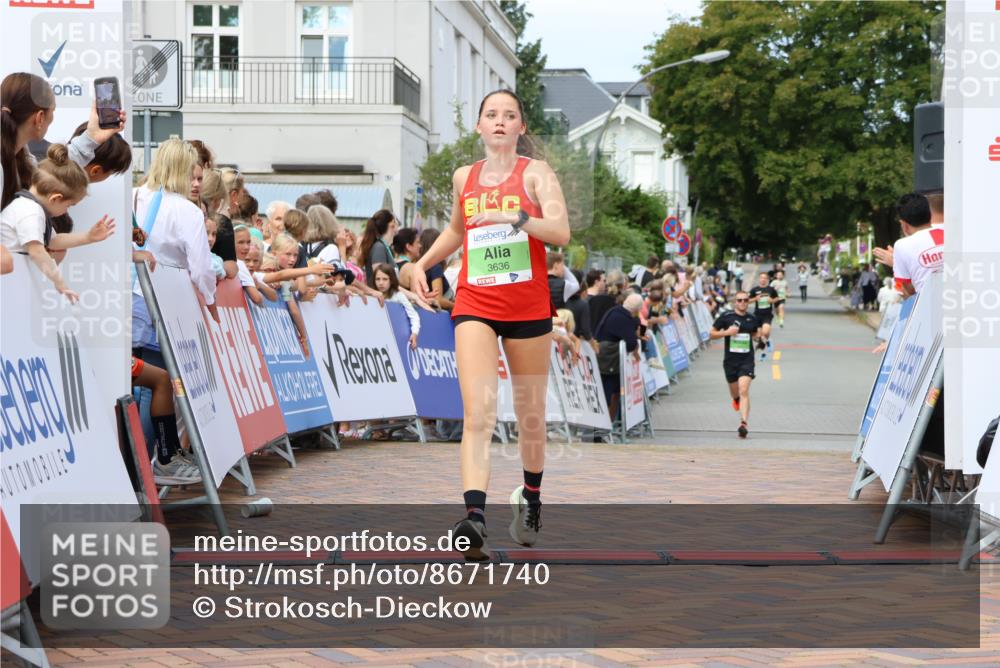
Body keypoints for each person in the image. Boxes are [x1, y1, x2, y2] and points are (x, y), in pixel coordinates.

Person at [410, 89, 570, 560]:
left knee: (529, 417)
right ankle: (474, 518)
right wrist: (423, 263)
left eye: (509, 115)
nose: (499, 121)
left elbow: (560, 233)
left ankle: (532, 499)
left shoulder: (536, 174)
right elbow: (459, 231)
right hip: (476, 303)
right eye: (491, 115)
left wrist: (517, 217)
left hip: (527, 309)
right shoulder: (466, 177)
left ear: (521, 127)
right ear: (479, 125)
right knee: (478, 413)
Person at [132, 138, 219, 483]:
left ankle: (137, 472)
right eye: (193, 176)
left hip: (123, 299)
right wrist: (210, 301)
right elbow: (201, 268)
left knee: (135, 387)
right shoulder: (186, 211)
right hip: (162, 304)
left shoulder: (135, 196)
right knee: (156, 386)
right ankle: (151, 469)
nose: (197, 183)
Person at [0, 143, 115, 302]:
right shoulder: (30, 212)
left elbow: (53, 241)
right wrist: (60, 283)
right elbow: (37, 251)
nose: (67, 211)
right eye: (69, 205)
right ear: (56, 198)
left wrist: (88, 237)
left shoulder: (31, 208)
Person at [2, 72, 125, 210]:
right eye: (53, 110)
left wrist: (93, 136)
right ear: (40, 118)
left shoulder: (23, 157)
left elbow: (54, 169)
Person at [709, 291, 761, 439]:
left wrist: (759, 339)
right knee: (735, 392)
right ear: (735, 302)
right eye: (739, 300)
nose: (743, 302)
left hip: (747, 360)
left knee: (743, 390)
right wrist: (727, 332)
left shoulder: (752, 318)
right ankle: (736, 399)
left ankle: (743, 423)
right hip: (730, 361)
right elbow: (711, 334)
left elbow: (755, 335)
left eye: (745, 300)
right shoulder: (726, 317)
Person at [594, 293, 642, 418]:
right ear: (637, 310)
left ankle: (607, 422)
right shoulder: (624, 318)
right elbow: (631, 343)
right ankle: (606, 423)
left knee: (609, 391)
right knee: (609, 392)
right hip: (609, 361)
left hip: (604, 357)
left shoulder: (615, 311)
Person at [886, 192, 943, 297]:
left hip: (928, 308)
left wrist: (896, 265)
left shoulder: (902, 245)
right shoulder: (948, 233)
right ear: (930, 215)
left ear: (904, 225)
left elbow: (905, 291)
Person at [374, 263, 420, 349]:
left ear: (391, 280)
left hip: (395, 342)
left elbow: (414, 316)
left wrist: (414, 333)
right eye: (377, 279)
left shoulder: (399, 296)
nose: (381, 283)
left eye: (385, 279)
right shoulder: (371, 297)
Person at [358, 209, 398, 284]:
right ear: (392, 224)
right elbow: (381, 283)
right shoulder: (379, 247)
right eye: (396, 222)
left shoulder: (384, 247)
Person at [748, 271, 778, 360]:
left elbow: (777, 298)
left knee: (765, 332)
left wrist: (771, 301)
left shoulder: (771, 289)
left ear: (767, 280)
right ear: (759, 279)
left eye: (765, 278)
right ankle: (764, 345)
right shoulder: (754, 290)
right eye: (761, 278)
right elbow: (747, 300)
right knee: (758, 337)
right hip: (757, 314)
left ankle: (765, 343)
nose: (763, 279)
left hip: (767, 314)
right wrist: (755, 299)